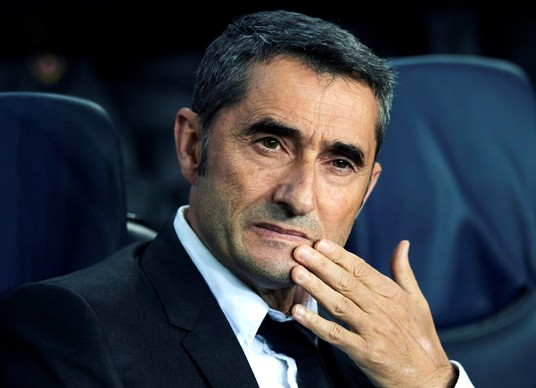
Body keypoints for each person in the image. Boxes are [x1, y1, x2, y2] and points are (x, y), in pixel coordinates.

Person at [0, 10, 474, 387]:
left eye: (339, 163)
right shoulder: (70, 328)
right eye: (270, 143)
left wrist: (432, 383)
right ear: (192, 146)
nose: (300, 197)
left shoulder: (390, 344)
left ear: (367, 190)